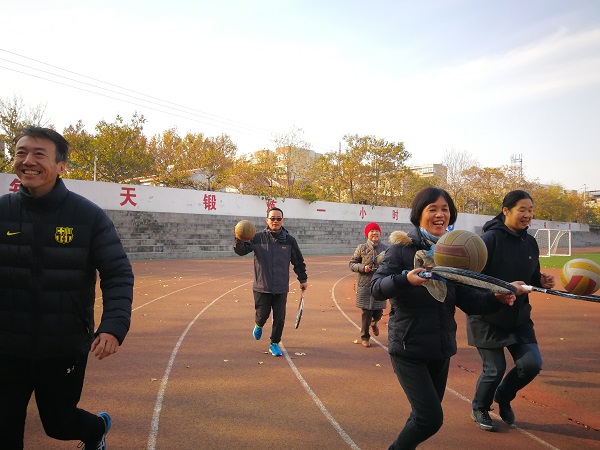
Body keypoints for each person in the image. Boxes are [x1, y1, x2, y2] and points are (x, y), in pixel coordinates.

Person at [0, 127, 134, 450]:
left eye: (39, 154)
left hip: (62, 346)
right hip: (6, 346)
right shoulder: (2, 212)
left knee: (58, 423)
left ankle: (96, 429)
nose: (27, 161)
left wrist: (113, 326)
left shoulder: (88, 216)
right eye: (21, 153)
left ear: (61, 166)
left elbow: (117, 273)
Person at [370, 187, 516, 450]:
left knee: (423, 416)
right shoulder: (402, 249)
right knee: (430, 419)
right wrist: (405, 280)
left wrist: (496, 298)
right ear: (419, 214)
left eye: (445, 209)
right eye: (433, 209)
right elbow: (376, 287)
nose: (440, 214)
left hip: (441, 348)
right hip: (408, 347)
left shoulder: (453, 253)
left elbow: (467, 300)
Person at [466, 190, 555, 431]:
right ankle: (480, 407)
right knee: (494, 370)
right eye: (522, 210)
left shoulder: (530, 242)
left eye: (530, 210)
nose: (528, 215)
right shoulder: (489, 240)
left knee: (532, 364)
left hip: (518, 316)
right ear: (506, 210)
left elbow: (532, 277)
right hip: (487, 315)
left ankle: (504, 396)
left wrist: (541, 280)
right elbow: (472, 280)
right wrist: (499, 292)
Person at [233, 207, 308, 357]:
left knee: (279, 318)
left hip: (281, 287)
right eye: (272, 218)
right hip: (262, 286)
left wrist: (303, 279)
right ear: (267, 220)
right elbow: (241, 251)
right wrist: (238, 238)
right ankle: (259, 324)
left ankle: (274, 343)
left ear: (282, 220)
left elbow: (298, 261)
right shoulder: (257, 238)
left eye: (278, 218)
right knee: (262, 314)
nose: (275, 221)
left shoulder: (289, 241)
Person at [349, 222, 388, 347]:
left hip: (380, 284)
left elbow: (390, 264)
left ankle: (374, 322)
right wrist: (363, 267)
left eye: (377, 231)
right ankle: (365, 337)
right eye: (372, 231)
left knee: (378, 312)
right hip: (365, 285)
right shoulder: (361, 248)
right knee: (366, 312)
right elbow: (352, 264)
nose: (374, 233)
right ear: (367, 234)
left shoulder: (386, 249)